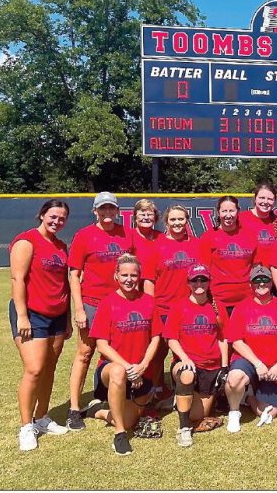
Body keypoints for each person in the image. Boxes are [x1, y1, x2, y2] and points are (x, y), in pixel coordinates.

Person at [66, 191, 132, 431]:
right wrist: (79, 308)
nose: (107, 213)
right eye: (102, 209)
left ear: (117, 211)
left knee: (115, 351)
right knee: (85, 354)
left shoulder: (127, 233)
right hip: (93, 303)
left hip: (120, 304)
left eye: (111, 209)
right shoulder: (84, 235)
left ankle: (105, 396)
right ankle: (74, 408)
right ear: (95, 211)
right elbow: (74, 274)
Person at [10, 199, 72, 451]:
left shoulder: (60, 246)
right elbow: (18, 279)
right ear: (42, 215)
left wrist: (67, 320)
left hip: (57, 315)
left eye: (62, 218)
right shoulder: (26, 241)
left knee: (49, 368)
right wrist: (22, 316)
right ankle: (26, 426)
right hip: (32, 314)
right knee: (34, 369)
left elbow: (64, 285)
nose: (57, 221)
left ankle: (43, 417)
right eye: (53, 216)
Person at [85, 254, 161, 455]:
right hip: (113, 370)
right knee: (118, 372)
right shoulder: (108, 303)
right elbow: (101, 345)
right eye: (124, 275)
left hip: (140, 371)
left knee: (129, 420)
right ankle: (119, 435)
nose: (129, 279)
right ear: (116, 276)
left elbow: (155, 338)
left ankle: (98, 411)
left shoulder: (149, 301)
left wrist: (142, 366)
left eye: (134, 275)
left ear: (139, 277)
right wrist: (128, 368)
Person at [224, 265, 277, 432]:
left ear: (271, 283)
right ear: (251, 284)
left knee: (267, 413)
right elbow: (236, 341)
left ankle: (248, 396)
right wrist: (257, 363)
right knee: (234, 379)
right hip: (250, 362)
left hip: (273, 366)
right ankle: (234, 412)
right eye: (257, 280)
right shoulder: (241, 308)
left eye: (265, 279)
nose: (261, 283)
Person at [163, 264, 229, 447]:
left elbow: (223, 338)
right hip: (189, 364)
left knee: (199, 415)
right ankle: (183, 428)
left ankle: (181, 400)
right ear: (188, 283)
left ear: (209, 282)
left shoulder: (217, 307)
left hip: (212, 367)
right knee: (186, 373)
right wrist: (184, 358)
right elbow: (171, 339)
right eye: (195, 280)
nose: (199, 283)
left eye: (203, 279)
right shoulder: (179, 306)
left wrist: (224, 367)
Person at [142, 205, 203, 401]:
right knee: (158, 352)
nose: (177, 223)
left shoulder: (197, 244)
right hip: (162, 307)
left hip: (188, 308)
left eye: (181, 219)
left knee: (186, 350)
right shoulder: (157, 245)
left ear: (187, 221)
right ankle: (156, 387)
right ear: (166, 222)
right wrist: (150, 307)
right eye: (173, 220)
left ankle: (185, 388)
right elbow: (149, 280)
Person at [200, 196, 262, 316]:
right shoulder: (208, 237)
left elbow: (257, 266)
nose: (228, 215)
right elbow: (204, 270)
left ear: (238, 212)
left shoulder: (250, 235)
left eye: (231, 211)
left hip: (246, 298)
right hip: (218, 299)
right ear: (218, 212)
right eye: (224, 211)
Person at [238, 182, 277, 266]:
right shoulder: (241, 219)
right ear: (255, 199)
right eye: (262, 198)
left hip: (273, 274)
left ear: (275, 202)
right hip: (246, 274)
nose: (265, 202)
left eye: (270, 199)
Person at [129, 198, 164, 270]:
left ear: (155, 218)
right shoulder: (129, 236)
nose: (146, 218)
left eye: (150, 214)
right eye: (142, 214)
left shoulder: (162, 237)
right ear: (135, 218)